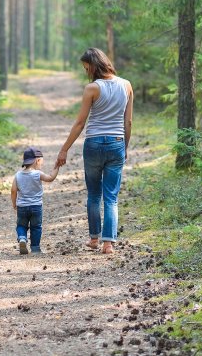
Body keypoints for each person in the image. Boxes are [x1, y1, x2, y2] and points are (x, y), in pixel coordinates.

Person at [55, 48, 133, 254]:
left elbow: (80, 123)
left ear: (94, 65)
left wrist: (64, 150)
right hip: (117, 142)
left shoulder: (92, 89)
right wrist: (124, 147)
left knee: (94, 195)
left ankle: (94, 239)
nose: (85, 71)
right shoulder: (126, 85)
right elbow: (129, 122)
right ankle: (109, 243)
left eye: (86, 67)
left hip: (94, 144)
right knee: (111, 197)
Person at [11, 147, 59, 255]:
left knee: (21, 226)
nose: (41, 164)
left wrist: (14, 204)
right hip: (36, 207)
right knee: (36, 227)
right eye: (41, 162)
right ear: (37, 161)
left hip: (22, 207)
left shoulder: (18, 175)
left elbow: (13, 191)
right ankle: (35, 248)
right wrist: (57, 167)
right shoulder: (38, 174)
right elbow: (50, 178)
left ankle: (22, 238)